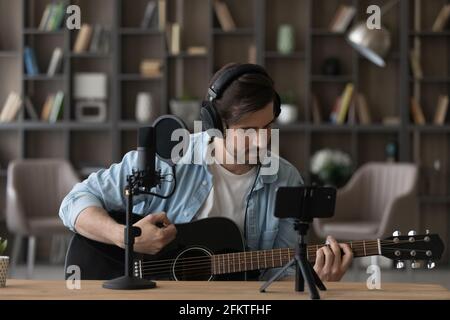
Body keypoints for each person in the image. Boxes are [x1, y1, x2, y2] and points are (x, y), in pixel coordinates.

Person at [59, 63, 353, 281]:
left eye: (268, 127)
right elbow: (74, 202)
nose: (264, 140)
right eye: (248, 130)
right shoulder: (169, 157)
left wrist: (315, 279)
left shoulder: (286, 179)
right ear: (215, 125)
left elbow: (278, 276)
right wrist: (124, 236)